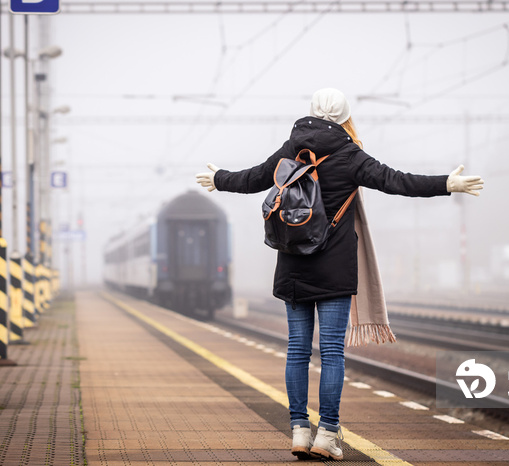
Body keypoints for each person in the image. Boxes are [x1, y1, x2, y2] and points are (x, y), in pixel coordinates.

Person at [195, 88, 483, 461]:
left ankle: (299, 430)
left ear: (312, 114)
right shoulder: (350, 156)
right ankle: (326, 435)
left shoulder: (290, 150)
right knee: (331, 353)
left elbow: (253, 178)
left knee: (297, 351)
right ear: (346, 118)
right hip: (333, 270)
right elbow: (398, 182)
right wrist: (447, 184)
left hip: (293, 267)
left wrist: (219, 178)